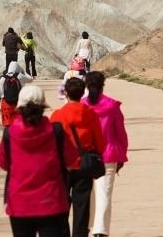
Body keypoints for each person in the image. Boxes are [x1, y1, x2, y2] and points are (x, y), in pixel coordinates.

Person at [0, 85, 79, 237]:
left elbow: (3, 163)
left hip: (19, 204)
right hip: (52, 202)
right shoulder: (56, 131)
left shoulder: (10, 133)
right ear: (43, 107)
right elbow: (72, 159)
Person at [51, 77, 106, 237]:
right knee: (82, 206)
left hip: (63, 166)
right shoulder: (90, 115)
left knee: (61, 205)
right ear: (83, 93)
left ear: (66, 93)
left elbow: (52, 142)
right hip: (84, 165)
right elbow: (100, 143)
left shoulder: (57, 115)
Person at [82, 72, 128, 237]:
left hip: (86, 156)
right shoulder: (112, 106)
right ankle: (100, 231)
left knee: (87, 195)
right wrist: (121, 157)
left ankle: (86, 226)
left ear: (87, 85)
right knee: (104, 194)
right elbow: (121, 134)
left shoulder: (82, 105)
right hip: (108, 155)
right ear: (103, 85)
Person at [0, 61, 32, 127]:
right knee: (19, 124)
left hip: (6, 105)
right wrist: (23, 71)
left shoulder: (3, 78)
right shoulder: (20, 76)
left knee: (8, 125)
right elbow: (30, 79)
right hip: (18, 104)